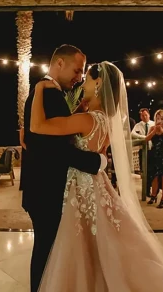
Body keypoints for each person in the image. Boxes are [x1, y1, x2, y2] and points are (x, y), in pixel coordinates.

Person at [31, 61, 163, 291]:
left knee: (83, 246)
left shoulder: (86, 120)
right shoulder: (105, 119)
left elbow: (37, 126)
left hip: (80, 188)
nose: (82, 83)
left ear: (98, 82)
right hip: (97, 183)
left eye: (86, 79)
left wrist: (38, 89)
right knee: (103, 244)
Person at [22, 44, 106, 292]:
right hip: (46, 190)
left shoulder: (50, 94)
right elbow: (53, 148)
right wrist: (95, 162)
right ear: (60, 63)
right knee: (45, 251)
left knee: (50, 250)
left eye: (83, 74)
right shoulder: (47, 93)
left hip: (45, 188)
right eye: (77, 70)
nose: (79, 78)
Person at [146, 109, 163, 209]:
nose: (159, 120)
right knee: (154, 176)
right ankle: (153, 195)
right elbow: (146, 139)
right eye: (157, 118)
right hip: (154, 155)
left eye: (161, 118)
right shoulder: (152, 128)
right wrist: (154, 132)